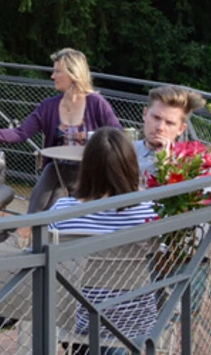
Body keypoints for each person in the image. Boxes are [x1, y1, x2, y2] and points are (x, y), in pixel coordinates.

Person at [0, 48, 120, 219]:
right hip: (58, 171)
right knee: (51, 179)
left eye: (57, 71)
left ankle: (26, 234)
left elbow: (117, 136)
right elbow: (20, 133)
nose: (52, 76)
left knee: (53, 202)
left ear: (73, 73)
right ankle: (28, 234)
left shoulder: (96, 104)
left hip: (89, 173)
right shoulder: (49, 106)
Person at [48, 127, 160, 353]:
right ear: (131, 165)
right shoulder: (152, 211)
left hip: (79, 320)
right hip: (136, 320)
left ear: (87, 166)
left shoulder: (62, 210)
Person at [134, 86, 207, 177]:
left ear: (181, 129)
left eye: (169, 123)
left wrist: (166, 168)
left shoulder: (189, 166)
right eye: (156, 118)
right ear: (145, 114)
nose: (160, 127)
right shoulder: (124, 151)